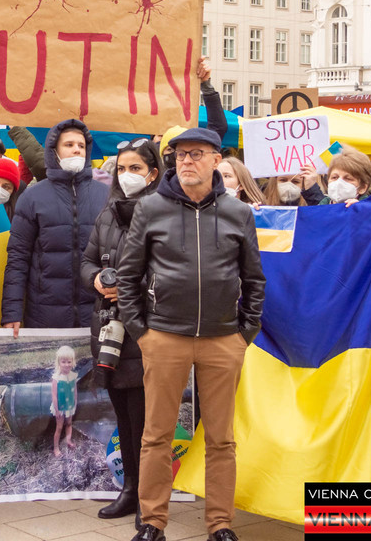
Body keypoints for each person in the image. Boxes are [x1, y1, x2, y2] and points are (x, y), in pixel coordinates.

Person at [116, 128, 265, 541]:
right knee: (156, 435)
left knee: (221, 438)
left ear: (217, 159)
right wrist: (142, 332)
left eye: (196, 153)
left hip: (223, 338)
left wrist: (245, 332)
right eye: (180, 154)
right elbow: (128, 276)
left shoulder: (237, 212)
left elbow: (254, 278)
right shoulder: (151, 208)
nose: (186, 161)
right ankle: (152, 522)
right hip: (164, 336)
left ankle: (220, 524)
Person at [79, 136, 162, 522]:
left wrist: (128, 287)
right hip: (109, 330)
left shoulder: (164, 214)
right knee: (124, 418)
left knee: (146, 421)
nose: (127, 175)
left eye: (136, 168)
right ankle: (129, 489)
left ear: (153, 173)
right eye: (122, 168)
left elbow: (170, 270)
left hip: (145, 329)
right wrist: (96, 279)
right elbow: (87, 260)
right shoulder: (108, 214)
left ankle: (149, 498)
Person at [2, 119, 109, 335]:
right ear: (54, 151)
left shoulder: (105, 195)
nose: (76, 150)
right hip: (45, 314)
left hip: (96, 314)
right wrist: (12, 311)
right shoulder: (32, 197)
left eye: (81, 145)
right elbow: (18, 257)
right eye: (69, 145)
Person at [50, 346, 79, 458]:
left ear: (73, 362)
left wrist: (75, 403)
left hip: (70, 406)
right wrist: (57, 410)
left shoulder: (73, 376)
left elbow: (75, 391)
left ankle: (68, 440)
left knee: (69, 424)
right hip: (60, 407)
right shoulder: (56, 378)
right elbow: (54, 395)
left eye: (69, 362)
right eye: (63, 362)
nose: (66, 365)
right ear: (59, 363)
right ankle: (56, 447)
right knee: (59, 427)